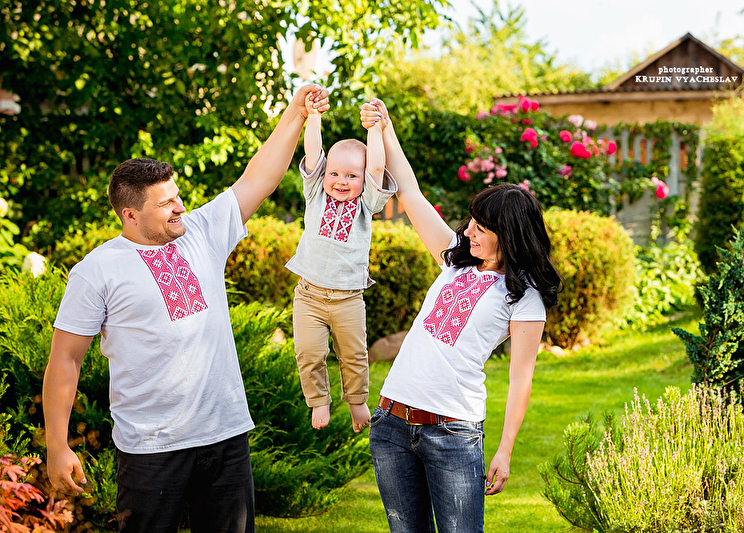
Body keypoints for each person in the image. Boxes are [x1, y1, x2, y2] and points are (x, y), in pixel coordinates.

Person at [41, 84, 330, 533]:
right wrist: (57, 445)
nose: (179, 208)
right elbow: (65, 359)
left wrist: (295, 112)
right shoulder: (97, 270)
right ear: (130, 215)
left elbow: (259, 178)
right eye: (165, 204)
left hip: (225, 437)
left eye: (177, 196)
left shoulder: (201, 231)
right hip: (151, 449)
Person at [360, 99, 563, 533]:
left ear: (507, 236)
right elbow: (410, 193)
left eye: (479, 229)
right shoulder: (455, 260)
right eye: (470, 222)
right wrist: (387, 127)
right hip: (391, 423)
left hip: (452, 433)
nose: (467, 231)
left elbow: (521, 378)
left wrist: (505, 449)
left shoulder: (524, 296)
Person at [285, 91, 397, 432]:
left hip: (348, 298)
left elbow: (376, 166)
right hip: (309, 295)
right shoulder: (315, 193)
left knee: (354, 355)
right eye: (334, 173)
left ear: (364, 181)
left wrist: (375, 129)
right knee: (308, 352)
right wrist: (314, 116)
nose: (341, 181)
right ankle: (319, 400)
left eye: (352, 176)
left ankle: (357, 401)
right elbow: (313, 152)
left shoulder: (366, 204)